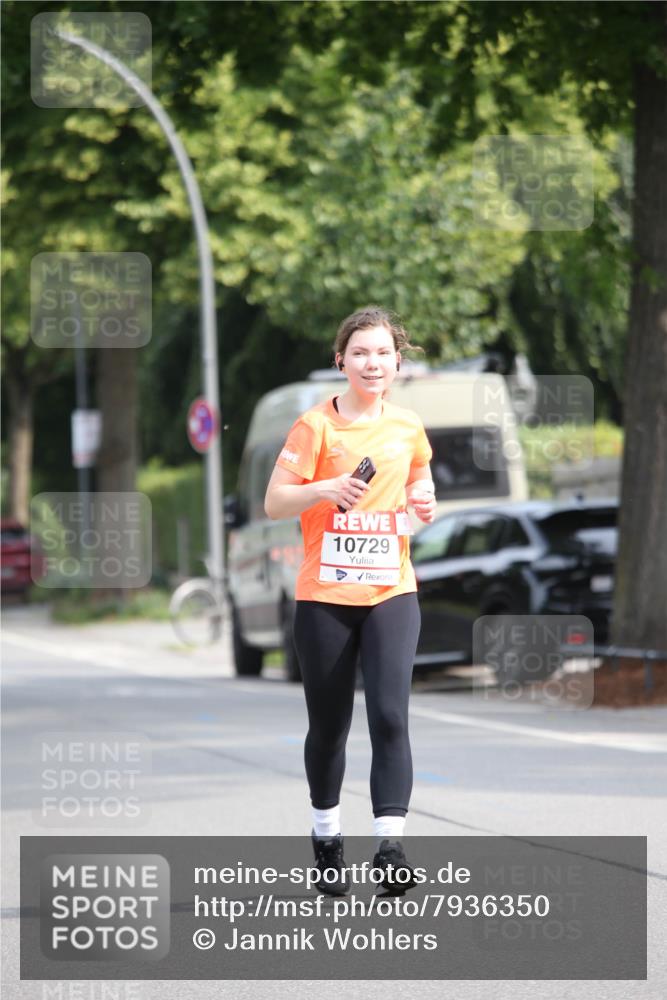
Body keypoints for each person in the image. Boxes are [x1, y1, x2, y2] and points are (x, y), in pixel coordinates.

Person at [264, 306, 436, 896]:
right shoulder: (315, 427)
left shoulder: (408, 426)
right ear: (342, 361)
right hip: (325, 594)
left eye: (383, 352)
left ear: (396, 361)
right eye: (360, 352)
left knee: (390, 717)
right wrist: (326, 488)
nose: (372, 362)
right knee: (330, 725)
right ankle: (327, 836)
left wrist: (424, 501)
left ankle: (390, 846)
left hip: (391, 587)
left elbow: (419, 480)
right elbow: (276, 502)